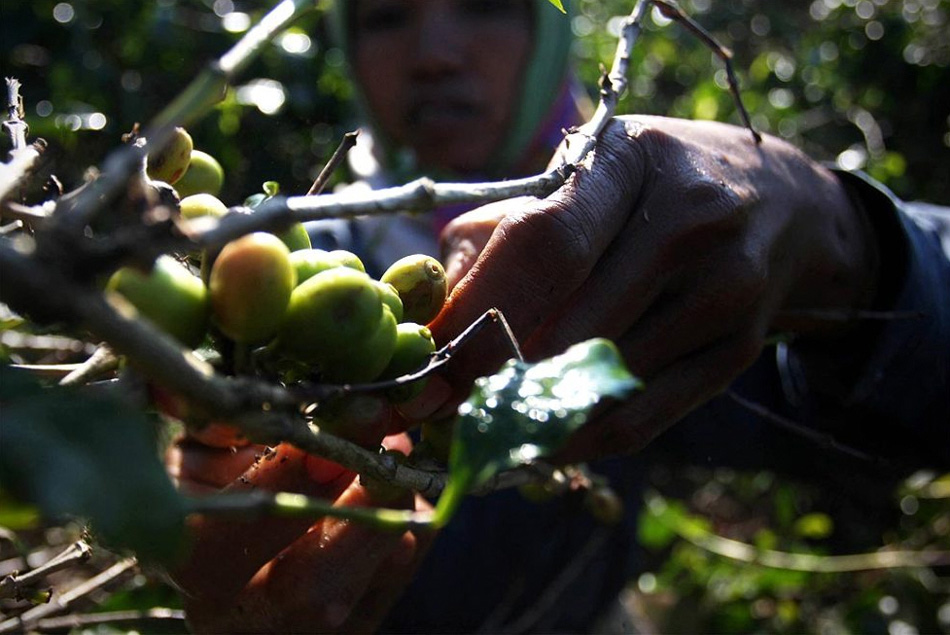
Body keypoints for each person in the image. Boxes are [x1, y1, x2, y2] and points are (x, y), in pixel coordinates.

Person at [166, 0, 950, 632]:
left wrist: (843, 234)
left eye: (484, 5)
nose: (434, 51)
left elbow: (884, 420)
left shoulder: (650, 238)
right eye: (383, 16)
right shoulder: (294, 254)